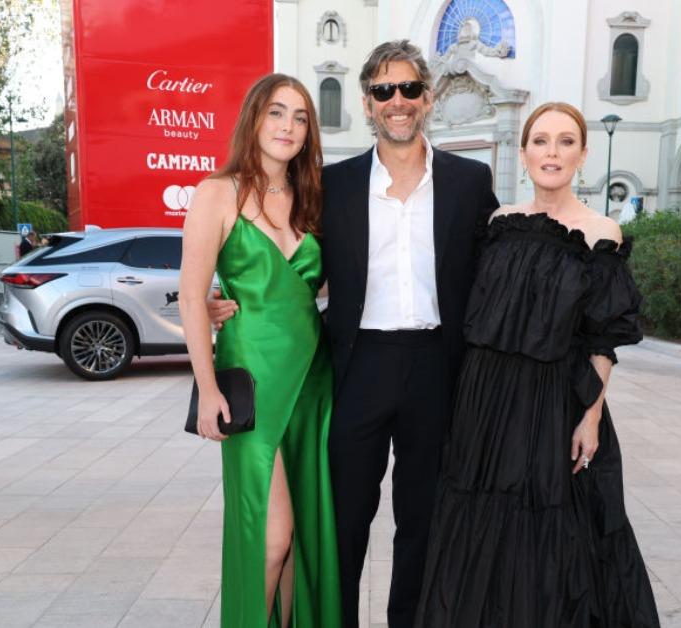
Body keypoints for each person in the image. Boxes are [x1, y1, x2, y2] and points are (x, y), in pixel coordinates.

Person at [207, 40, 498, 628]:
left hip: (437, 368)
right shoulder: (330, 185)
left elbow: (499, 268)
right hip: (354, 368)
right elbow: (280, 256)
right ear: (368, 103)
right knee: (339, 521)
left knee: (424, 520)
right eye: (384, 90)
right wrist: (228, 300)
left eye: (410, 88)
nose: (398, 101)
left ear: (428, 97)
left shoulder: (470, 181)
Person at [415, 102, 660, 627]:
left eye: (566, 141)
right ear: (523, 153)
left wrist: (591, 416)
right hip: (482, 399)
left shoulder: (602, 232)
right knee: (476, 523)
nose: (553, 152)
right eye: (541, 141)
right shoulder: (499, 223)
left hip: (551, 400)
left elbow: (602, 338)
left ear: (583, 154)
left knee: (548, 529)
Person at [180, 73, 341, 628]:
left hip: (313, 380)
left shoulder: (311, 199)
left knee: (303, 540)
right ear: (254, 117)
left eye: (300, 117)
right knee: (271, 539)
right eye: (277, 112)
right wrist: (206, 391)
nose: (288, 126)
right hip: (251, 380)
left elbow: (313, 287)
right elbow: (189, 294)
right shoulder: (217, 192)